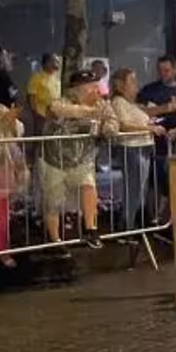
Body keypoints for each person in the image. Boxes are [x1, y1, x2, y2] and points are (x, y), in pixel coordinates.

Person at [39, 70, 119, 249]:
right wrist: (89, 112)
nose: (97, 90)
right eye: (92, 86)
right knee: (53, 200)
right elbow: (56, 109)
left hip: (82, 158)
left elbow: (113, 123)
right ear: (78, 89)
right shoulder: (64, 101)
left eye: (97, 85)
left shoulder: (102, 104)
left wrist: (105, 128)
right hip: (55, 159)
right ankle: (55, 241)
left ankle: (91, 229)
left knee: (89, 187)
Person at [109, 68, 166, 231]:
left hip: (142, 147)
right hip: (131, 148)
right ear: (121, 85)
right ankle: (126, 225)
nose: (136, 85)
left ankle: (131, 222)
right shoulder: (118, 102)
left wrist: (149, 124)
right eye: (132, 81)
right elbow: (124, 125)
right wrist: (149, 129)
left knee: (139, 188)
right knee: (133, 189)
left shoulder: (130, 104)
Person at [0, 99, 27, 269]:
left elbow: (18, 130)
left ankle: (2, 250)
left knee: (1, 217)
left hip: (2, 172)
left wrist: (10, 123)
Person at [136, 56, 176, 129]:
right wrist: (163, 108)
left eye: (166, 71)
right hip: (156, 130)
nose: (162, 74)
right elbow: (137, 111)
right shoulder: (149, 90)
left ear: (175, 70)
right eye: (160, 71)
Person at [27, 53, 61, 135]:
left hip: (54, 115)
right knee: (40, 137)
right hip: (41, 115)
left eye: (57, 62)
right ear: (47, 63)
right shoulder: (36, 78)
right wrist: (36, 114)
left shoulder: (57, 80)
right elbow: (31, 97)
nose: (56, 64)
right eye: (54, 61)